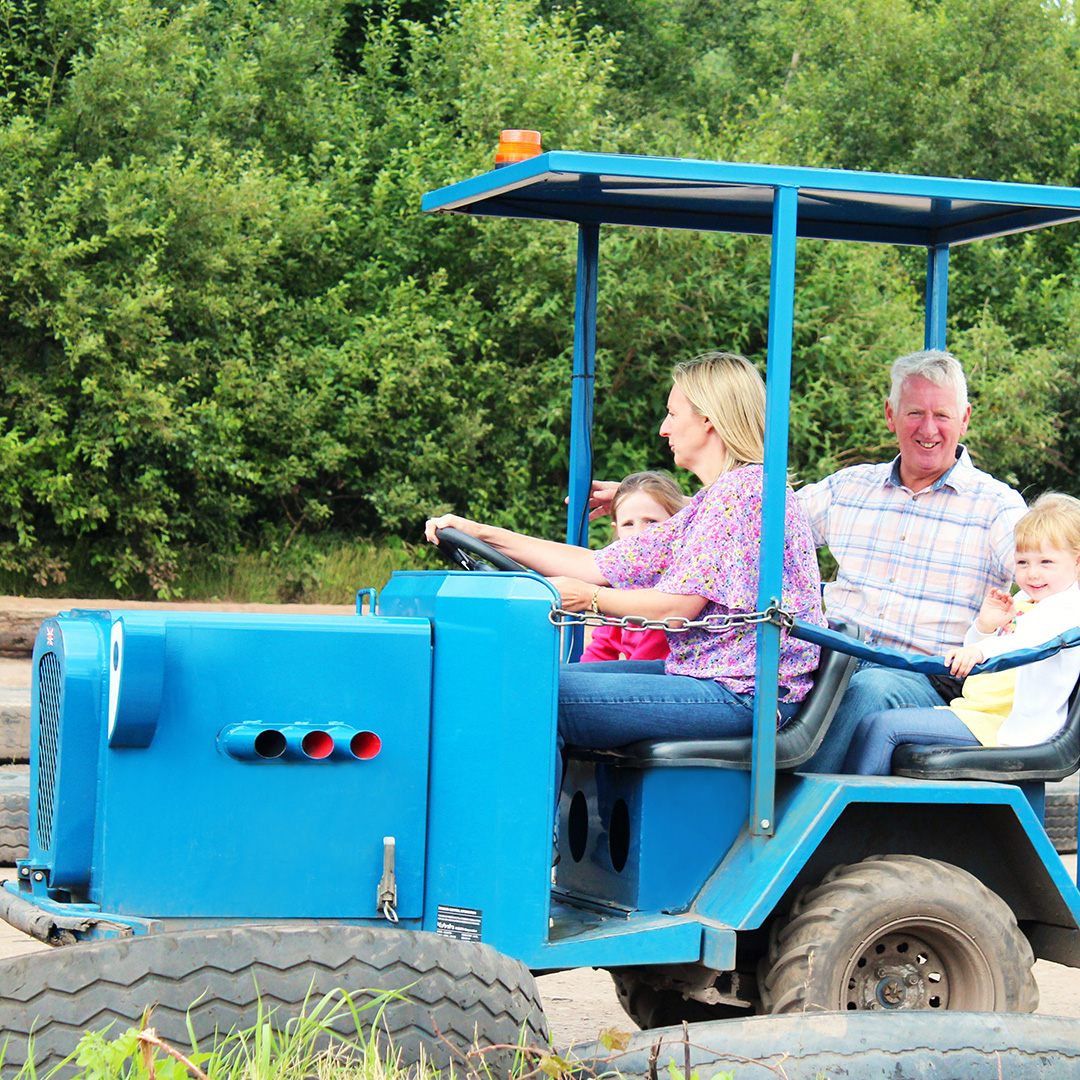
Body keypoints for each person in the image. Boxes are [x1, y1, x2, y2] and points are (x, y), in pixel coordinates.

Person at [425, 351, 826, 750]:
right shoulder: (718, 499)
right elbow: (594, 564)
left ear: (708, 419)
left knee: (531, 696)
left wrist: (591, 599)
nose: (663, 430)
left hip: (745, 695)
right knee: (534, 676)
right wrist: (480, 533)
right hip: (713, 677)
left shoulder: (742, 493)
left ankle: (524, 816)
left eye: (672, 414)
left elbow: (676, 608)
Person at [794, 349, 1027, 771]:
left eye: (942, 415)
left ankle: (798, 818)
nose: (929, 429)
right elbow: (765, 530)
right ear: (890, 415)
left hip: (927, 676)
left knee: (869, 689)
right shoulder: (849, 488)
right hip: (835, 656)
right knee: (757, 669)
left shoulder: (996, 507)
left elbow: (1052, 577)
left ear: (965, 418)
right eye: (915, 413)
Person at [841, 493, 1080, 775]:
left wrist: (979, 651)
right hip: (976, 712)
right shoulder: (1027, 605)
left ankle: (856, 815)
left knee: (882, 726)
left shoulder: (1066, 609)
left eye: (1046, 562)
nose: (1032, 573)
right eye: (1023, 563)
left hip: (1006, 724)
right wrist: (985, 628)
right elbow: (984, 655)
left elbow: (1027, 644)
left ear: (1076, 563)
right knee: (873, 719)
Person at [579, 471, 686, 664]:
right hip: (639, 674)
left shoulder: (678, 581)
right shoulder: (620, 585)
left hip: (667, 678)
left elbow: (646, 661)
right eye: (628, 524)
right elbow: (601, 648)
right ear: (616, 529)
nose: (639, 533)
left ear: (675, 523)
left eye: (651, 521)